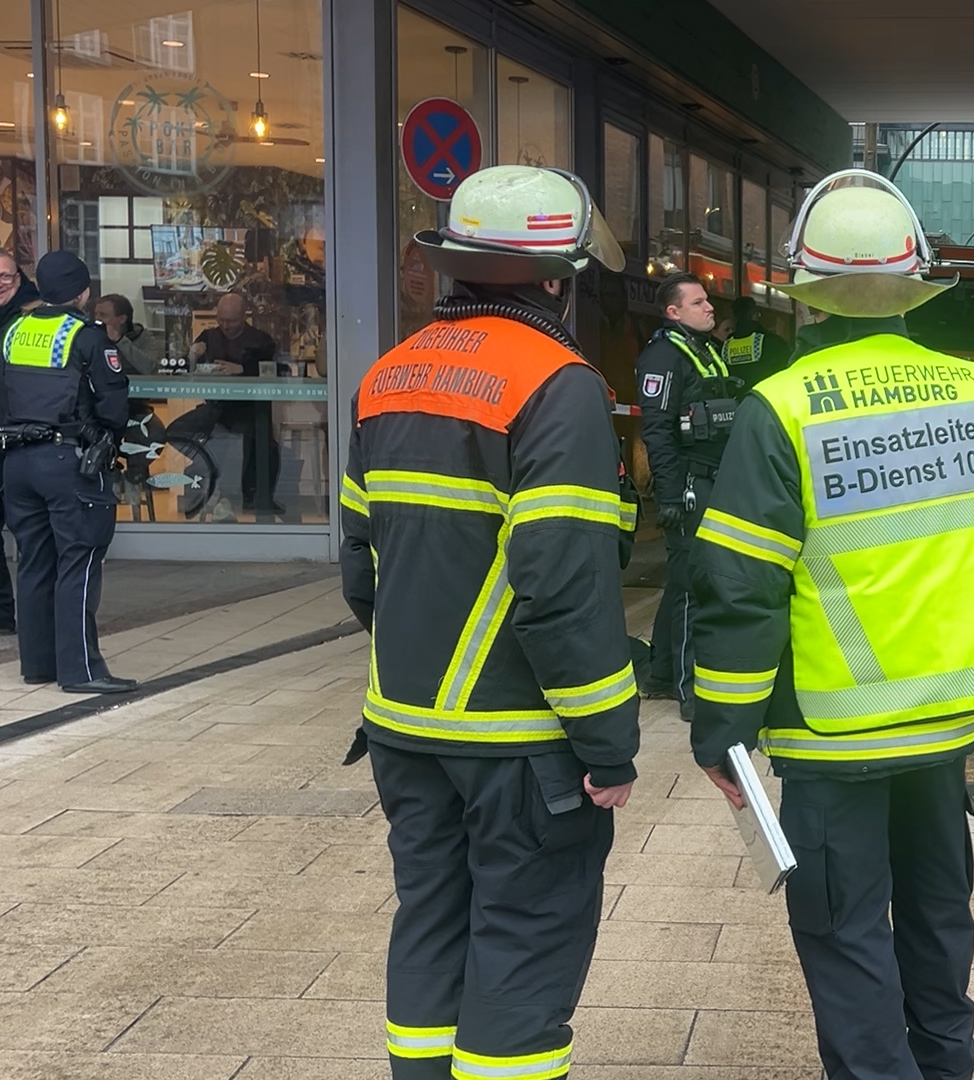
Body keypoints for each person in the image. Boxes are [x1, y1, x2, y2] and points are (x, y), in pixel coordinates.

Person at [688, 169, 974, 1080]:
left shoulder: (780, 408)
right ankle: (946, 1066)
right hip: (946, 721)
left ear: (805, 295)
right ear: (912, 287)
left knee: (846, 930)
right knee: (938, 911)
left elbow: (741, 590)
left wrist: (723, 734)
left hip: (831, 732)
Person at [338, 164, 641, 1080]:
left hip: (403, 726)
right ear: (561, 275)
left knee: (428, 921)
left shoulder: (388, 375)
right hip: (518, 741)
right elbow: (562, 585)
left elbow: (360, 565)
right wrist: (606, 744)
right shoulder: (560, 383)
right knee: (523, 942)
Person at [0, 250, 133, 693]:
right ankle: (82, 671)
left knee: (34, 561)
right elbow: (113, 404)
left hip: (18, 461)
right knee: (79, 558)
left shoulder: (15, 330)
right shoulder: (87, 335)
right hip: (68, 461)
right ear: (83, 292)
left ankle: (38, 665)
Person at [634, 271, 743, 718]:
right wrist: (672, 497)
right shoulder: (663, 356)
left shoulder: (706, 351)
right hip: (690, 483)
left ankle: (661, 674)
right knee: (688, 588)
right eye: (698, 303)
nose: (710, 307)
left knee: (686, 581)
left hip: (712, 477)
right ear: (673, 311)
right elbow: (657, 432)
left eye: (707, 301)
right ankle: (687, 688)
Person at [190, 293, 281, 513]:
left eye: (231, 321)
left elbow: (277, 371)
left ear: (244, 316)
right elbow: (188, 370)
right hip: (216, 407)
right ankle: (209, 492)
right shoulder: (209, 337)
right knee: (186, 431)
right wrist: (192, 355)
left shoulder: (260, 340)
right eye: (221, 320)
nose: (225, 326)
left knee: (263, 444)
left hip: (250, 408)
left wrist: (243, 370)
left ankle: (256, 497)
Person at [0, 252, 39, 634]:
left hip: (20, 434)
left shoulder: (31, 314)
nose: (0, 282)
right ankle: (2, 615)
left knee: (28, 530)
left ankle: (33, 618)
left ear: (18, 278)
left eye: (5, 276)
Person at [722, 294, 793, 389]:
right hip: (764, 396)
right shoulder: (772, 341)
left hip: (736, 399)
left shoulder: (726, 345)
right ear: (755, 314)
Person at [93, 294, 157, 375]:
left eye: (103, 315)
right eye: (95, 314)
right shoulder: (93, 336)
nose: (97, 319)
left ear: (122, 319)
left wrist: (120, 341)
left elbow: (149, 368)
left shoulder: (144, 337)